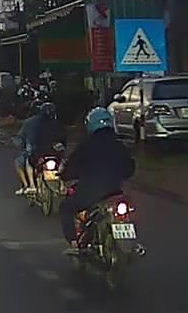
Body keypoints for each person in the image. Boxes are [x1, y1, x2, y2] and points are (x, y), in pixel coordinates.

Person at [58, 108, 136, 255]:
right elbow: (129, 170)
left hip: (89, 194)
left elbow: (70, 170)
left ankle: (74, 244)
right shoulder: (119, 145)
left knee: (66, 208)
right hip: (115, 193)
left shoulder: (85, 146)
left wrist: (64, 175)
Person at [13, 102, 61, 196]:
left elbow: (27, 140)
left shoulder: (32, 124)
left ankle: (29, 186)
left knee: (22, 162)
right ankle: (61, 186)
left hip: (38, 152)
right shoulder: (58, 124)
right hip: (55, 153)